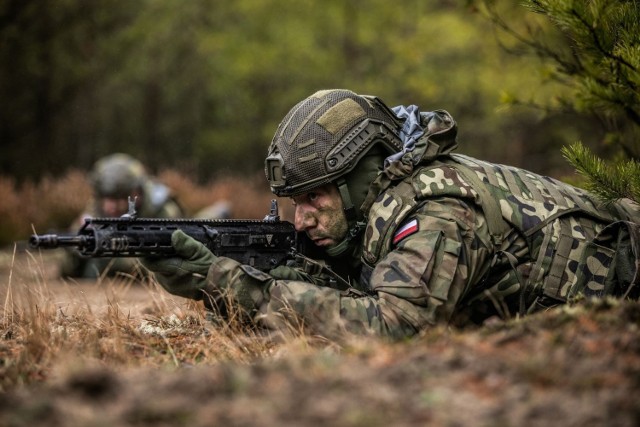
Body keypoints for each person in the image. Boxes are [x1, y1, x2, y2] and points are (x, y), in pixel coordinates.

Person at [143, 89, 640, 339]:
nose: (301, 219)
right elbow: (366, 288)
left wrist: (239, 287)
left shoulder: (439, 207)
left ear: (360, 180)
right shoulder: (382, 205)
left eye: (315, 197)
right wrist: (213, 284)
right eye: (297, 202)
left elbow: (392, 327)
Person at [60, 153, 184, 278]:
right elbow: (67, 268)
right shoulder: (95, 210)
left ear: (137, 193)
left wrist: (116, 255)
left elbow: (173, 266)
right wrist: (79, 245)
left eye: (119, 198)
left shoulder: (163, 211)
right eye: (106, 198)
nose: (111, 206)